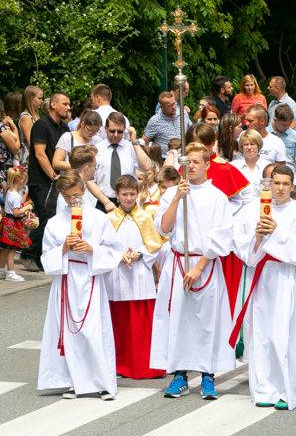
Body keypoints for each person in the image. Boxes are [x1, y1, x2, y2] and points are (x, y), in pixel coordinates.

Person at [151, 142, 235, 399]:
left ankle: (208, 375)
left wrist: (199, 267)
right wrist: (176, 197)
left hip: (204, 264)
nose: (191, 167)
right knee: (178, 320)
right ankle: (179, 374)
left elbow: (221, 236)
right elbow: (164, 229)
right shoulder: (172, 194)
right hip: (177, 263)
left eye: (197, 162)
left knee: (206, 321)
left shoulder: (217, 197)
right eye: (187, 163)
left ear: (208, 164)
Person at [231, 165, 296, 410]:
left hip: (287, 279)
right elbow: (242, 248)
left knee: (287, 334)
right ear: (268, 184)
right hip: (262, 277)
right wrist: (257, 238)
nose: (279, 188)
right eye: (275, 183)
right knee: (262, 334)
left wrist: (276, 233)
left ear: (291, 185)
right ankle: (264, 389)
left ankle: (291, 391)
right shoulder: (250, 211)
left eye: (284, 184)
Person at [37, 170, 124, 399]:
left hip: (90, 277)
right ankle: (74, 381)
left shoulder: (98, 218)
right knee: (69, 332)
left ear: (84, 191)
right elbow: (46, 257)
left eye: (76, 195)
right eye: (67, 196)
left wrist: (92, 249)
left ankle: (103, 382)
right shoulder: (55, 223)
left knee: (94, 330)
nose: (72, 200)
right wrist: (63, 248)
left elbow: (115, 249)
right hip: (67, 280)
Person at [104, 175, 165, 379]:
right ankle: (120, 365)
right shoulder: (110, 218)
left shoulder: (145, 217)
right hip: (117, 274)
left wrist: (139, 254)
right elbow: (104, 245)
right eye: (124, 194)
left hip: (140, 273)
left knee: (141, 323)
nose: (128, 198)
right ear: (116, 195)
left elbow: (155, 244)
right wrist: (119, 255)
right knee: (119, 322)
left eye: (132, 194)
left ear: (137, 194)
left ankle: (143, 364)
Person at [25, 92, 71, 270]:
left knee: (51, 215)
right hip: (41, 180)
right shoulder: (41, 125)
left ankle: (38, 255)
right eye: (64, 104)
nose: (68, 107)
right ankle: (32, 254)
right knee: (47, 215)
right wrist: (53, 175)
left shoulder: (65, 128)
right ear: (53, 104)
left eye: (69, 104)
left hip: (57, 181)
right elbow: (40, 154)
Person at [93, 112, 153, 205]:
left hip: (128, 201)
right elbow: (91, 180)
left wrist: (134, 141)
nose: (116, 135)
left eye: (120, 131)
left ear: (125, 130)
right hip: (104, 200)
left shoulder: (131, 147)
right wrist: (106, 202)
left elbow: (148, 166)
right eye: (112, 131)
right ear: (105, 129)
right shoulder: (97, 149)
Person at [0, 166, 33, 281]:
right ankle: (11, 272)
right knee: (12, 249)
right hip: (13, 223)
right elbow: (16, 213)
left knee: (5, 248)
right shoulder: (16, 196)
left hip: (7, 222)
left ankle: (1, 270)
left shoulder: (8, 191)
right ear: (20, 181)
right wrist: (27, 207)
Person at [232, 129, 272, 207]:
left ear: (258, 145)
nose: (249, 147)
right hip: (238, 210)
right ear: (241, 147)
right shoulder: (233, 166)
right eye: (246, 144)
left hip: (261, 209)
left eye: (252, 144)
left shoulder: (268, 167)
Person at [142, 92, 182, 158]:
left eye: (174, 103)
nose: (174, 107)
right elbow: (144, 142)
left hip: (183, 157)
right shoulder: (155, 121)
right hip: (165, 159)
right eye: (170, 105)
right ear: (162, 107)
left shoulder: (182, 114)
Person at [268, 104, 296, 169]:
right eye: (284, 125)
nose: (287, 127)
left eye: (289, 124)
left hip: (289, 171)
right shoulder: (265, 133)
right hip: (269, 170)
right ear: (275, 120)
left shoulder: (295, 136)